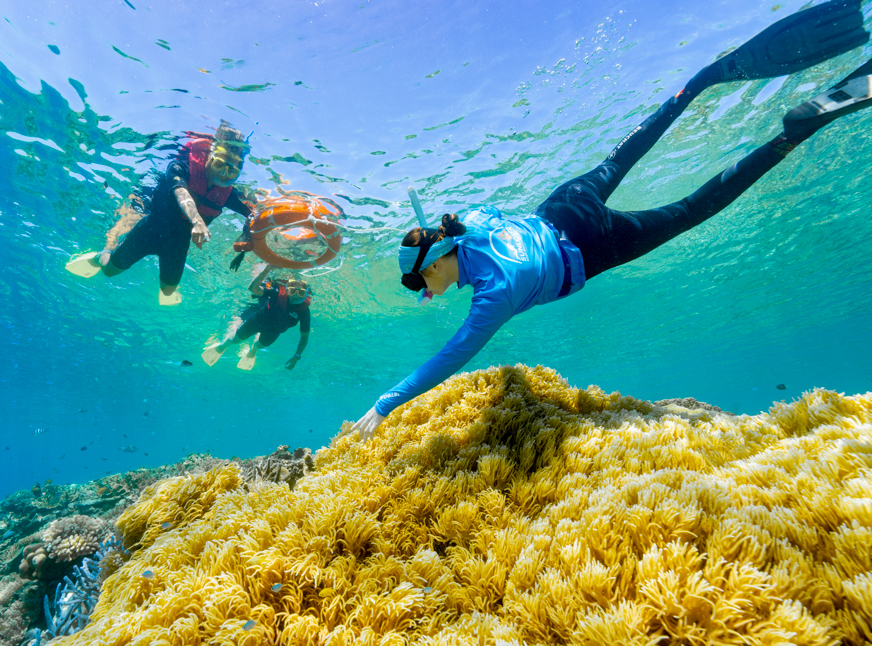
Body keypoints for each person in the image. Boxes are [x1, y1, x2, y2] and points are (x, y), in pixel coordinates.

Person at [353, 0, 872, 440]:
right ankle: (702, 81)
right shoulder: (465, 223)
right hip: (564, 204)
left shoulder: (494, 297)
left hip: (590, 246)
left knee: (692, 210)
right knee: (637, 143)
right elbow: (451, 246)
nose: (419, 291)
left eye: (417, 281)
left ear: (436, 262)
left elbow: (452, 355)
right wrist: (431, 281)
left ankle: (792, 133)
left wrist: (385, 404)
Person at [65, 121, 254, 305]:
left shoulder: (228, 194)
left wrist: (249, 236)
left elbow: (256, 214)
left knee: (168, 291)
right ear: (210, 157)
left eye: (232, 171)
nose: (223, 175)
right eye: (219, 164)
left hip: (178, 245)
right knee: (108, 271)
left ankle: (167, 286)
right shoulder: (180, 167)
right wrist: (197, 220)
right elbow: (181, 192)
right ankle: (101, 255)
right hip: (149, 232)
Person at [201, 264, 312, 371]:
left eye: (301, 293)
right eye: (293, 291)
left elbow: (304, 337)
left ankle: (253, 350)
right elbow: (253, 289)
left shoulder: (304, 311)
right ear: (287, 290)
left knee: (259, 345)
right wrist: (266, 270)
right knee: (235, 340)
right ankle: (223, 346)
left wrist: (297, 356)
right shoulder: (276, 293)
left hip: (273, 332)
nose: (296, 296)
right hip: (257, 321)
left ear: (306, 294)